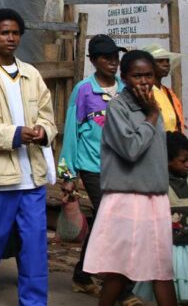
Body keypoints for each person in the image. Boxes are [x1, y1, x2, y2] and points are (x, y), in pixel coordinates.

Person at [0, 8, 57, 305]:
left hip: (33, 175)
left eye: (15, 32)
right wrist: (16, 134)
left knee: (34, 243)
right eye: (4, 32)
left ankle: (33, 301)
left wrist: (44, 132)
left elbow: (49, 118)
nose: (11, 38)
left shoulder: (32, 74)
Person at [83, 50, 177, 306]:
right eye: (137, 76)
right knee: (119, 272)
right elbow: (130, 149)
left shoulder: (154, 103)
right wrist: (151, 117)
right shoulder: (117, 107)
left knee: (161, 270)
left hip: (155, 198)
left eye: (148, 75)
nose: (144, 81)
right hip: (127, 198)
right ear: (124, 78)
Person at [59, 34, 131, 299]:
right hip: (93, 167)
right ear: (93, 61)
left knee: (104, 222)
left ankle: (81, 274)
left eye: (115, 58)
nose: (113, 63)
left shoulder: (124, 88)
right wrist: (67, 175)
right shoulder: (84, 90)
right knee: (112, 222)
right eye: (107, 58)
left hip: (122, 168)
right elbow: (71, 131)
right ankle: (121, 290)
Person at [133, 131, 188, 303]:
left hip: (186, 249)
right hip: (168, 249)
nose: (187, 164)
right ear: (167, 160)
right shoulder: (159, 185)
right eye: (183, 161)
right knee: (168, 284)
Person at [143, 43, 184, 132]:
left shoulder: (168, 92)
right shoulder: (143, 92)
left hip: (173, 143)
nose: (166, 64)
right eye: (160, 61)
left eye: (167, 61)